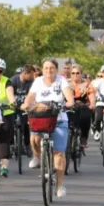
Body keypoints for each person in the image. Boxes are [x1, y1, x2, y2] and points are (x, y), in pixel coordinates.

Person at [22, 58, 75, 198]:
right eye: (46, 68)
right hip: (40, 118)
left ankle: (60, 185)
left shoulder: (61, 80)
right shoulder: (38, 81)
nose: (48, 71)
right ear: (42, 69)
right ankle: (38, 157)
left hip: (58, 119)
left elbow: (68, 96)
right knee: (34, 138)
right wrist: (26, 104)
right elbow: (30, 97)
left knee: (58, 154)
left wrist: (69, 102)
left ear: (56, 70)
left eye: (51, 68)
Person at [10, 66, 36, 156]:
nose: (33, 77)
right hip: (13, 105)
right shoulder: (13, 80)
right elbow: (9, 93)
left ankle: (27, 145)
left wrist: (28, 105)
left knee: (26, 125)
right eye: (31, 75)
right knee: (10, 125)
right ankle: (11, 145)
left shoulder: (31, 82)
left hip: (25, 106)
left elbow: (31, 95)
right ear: (25, 73)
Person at [68, 65, 93, 147]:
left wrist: (92, 104)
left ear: (81, 74)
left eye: (77, 73)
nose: (75, 75)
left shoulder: (87, 84)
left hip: (83, 107)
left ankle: (83, 138)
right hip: (69, 107)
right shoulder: (66, 84)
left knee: (86, 117)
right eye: (73, 73)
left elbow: (91, 95)